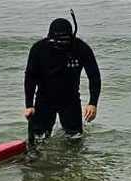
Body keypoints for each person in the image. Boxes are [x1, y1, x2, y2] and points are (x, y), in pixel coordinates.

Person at [24, 15, 101, 145]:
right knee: (37, 140)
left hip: (70, 100)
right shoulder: (39, 49)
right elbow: (30, 77)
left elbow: (94, 76)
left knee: (75, 140)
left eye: (64, 41)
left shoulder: (81, 48)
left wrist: (93, 103)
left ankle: (71, 164)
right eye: (57, 41)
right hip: (44, 100)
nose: (60, 44)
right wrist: (29, 105)